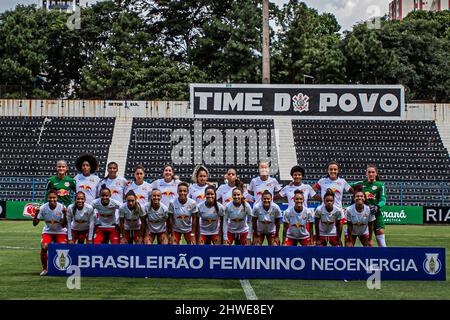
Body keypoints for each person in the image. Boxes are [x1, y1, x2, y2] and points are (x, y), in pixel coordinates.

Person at [313, 161, 354, 243]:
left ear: (338, 170)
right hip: (324, 211)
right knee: (323, 239)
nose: (333, 171)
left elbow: (353, 192)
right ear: (328, 171)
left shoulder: (342, 181)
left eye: (335, 169)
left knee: (337, 239)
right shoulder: (322, 181)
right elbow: (312, 190)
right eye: (330, 169)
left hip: (338, 211)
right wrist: (321, 199)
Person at [350, 164, 387, 247]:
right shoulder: (360, 183)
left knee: (381, 239)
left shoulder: (380, 185)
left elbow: (383, 199)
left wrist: (377, 206)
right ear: (366, 173)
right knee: (367, 243)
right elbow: (346, 186)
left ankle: (385, 257)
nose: (371, 174)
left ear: (376, 173)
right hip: (363, 215)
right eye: (369, 172)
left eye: (373, 172)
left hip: (376, 213)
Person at [32, 189, 67, 276]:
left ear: (57, 198)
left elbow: (63, 225)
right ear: (47, 198)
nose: (52, 199)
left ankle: (61, 267)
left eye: (54, 197)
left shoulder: (62, 207)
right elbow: (35, 224)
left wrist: (65, 214)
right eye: (50, 198)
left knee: (62, 248)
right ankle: (45, 269)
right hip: (48, 231)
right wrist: (36, 214)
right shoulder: (43, 207)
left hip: (60, 231)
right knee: (44, 247)